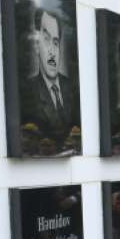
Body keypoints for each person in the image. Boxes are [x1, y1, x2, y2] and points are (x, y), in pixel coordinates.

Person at [27, 8, 77, 147]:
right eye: (46, 39)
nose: (52, 51)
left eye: (55, 42)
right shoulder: (29, 91)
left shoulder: (72, 87)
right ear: (37, 46)